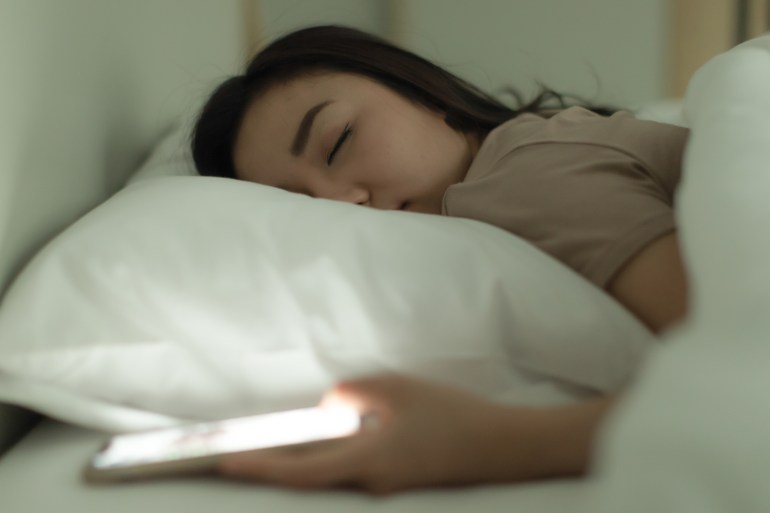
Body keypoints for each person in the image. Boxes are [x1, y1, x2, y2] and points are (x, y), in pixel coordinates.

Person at [190, 25, 689, 494]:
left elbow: (744, 374)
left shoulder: (526, 176)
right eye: (303, 204)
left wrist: (481, 443)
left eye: (338, 141)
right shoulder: (525, 157)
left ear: (421, 93)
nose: (342, 203)